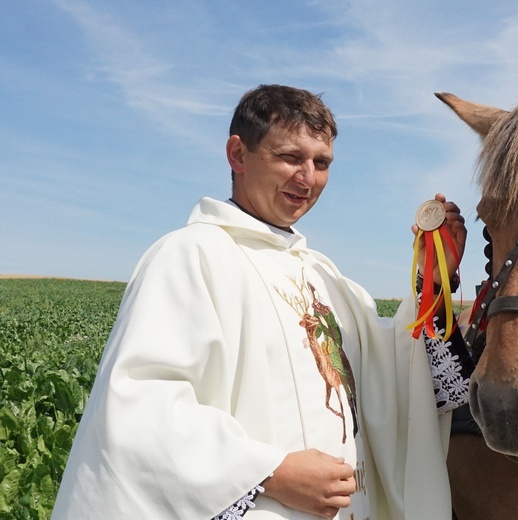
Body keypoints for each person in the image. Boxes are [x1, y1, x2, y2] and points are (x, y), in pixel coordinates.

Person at [51, 84, 471, 520]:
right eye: (290, 157)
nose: (308, 178)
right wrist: (272, 472)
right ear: (238, 154)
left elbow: (399, 380)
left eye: (321, 163)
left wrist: (432, 281)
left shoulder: (325, 277)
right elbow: (139, 410)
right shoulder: (191, 256)